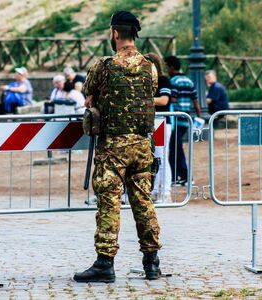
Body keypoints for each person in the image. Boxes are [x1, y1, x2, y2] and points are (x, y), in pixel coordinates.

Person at [74, 11, 162, 283]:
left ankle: (104, 263)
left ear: (114, 33)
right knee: (144, 202)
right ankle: (152, 262)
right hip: (143, 145)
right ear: (134, 34)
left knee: (109, 203)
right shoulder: (150, 66)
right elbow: (151, 94)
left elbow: (88, 100)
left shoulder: (103, 66)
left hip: (113, 146)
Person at [165, 56, 201, 185]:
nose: (167, 70)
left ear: (172, 67)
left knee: (175, 149)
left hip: (176, 120)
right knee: (177, 147)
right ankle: (180, 176)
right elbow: (196, 101)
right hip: (187, 120)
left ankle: (181, 176)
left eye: (167, 67)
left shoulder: (174, 81)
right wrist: (199, 118)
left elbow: (172, 99)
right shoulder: (189, 81)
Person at [144, 53, 172, 203]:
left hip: (162, 122)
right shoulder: (145, 81)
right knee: (152, 159)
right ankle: (154, 191)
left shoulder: (163, 80)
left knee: (162, 158)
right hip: (150, 122)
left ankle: (165, 192)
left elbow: (164, 100)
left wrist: (143, 100)